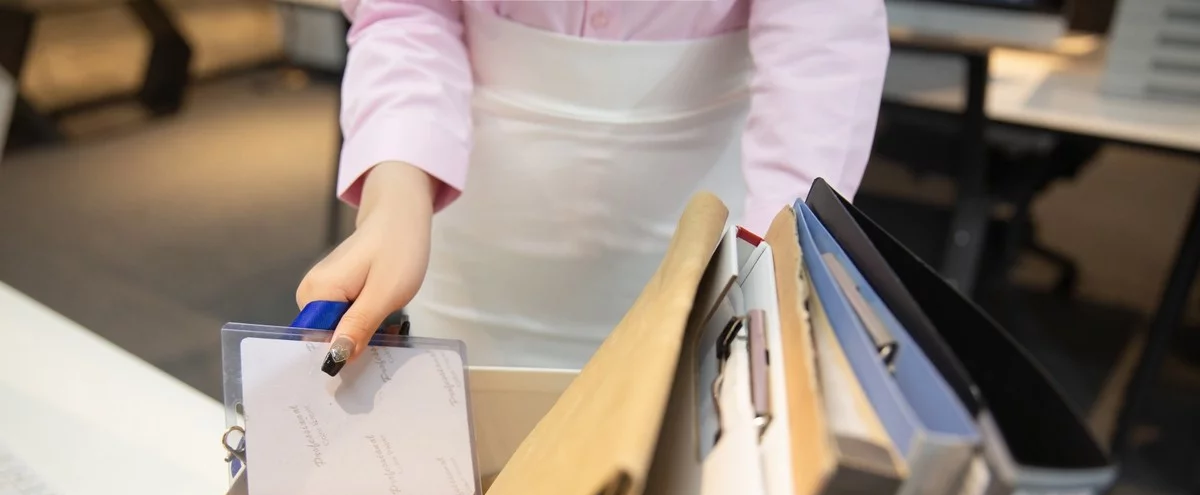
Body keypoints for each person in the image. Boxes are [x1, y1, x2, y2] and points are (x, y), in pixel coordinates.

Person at [299, 0, 890, 377]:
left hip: (704, 243)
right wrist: (395, 194)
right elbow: (410, 14)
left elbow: (822, 56)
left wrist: (775, 258)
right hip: (477, 226)